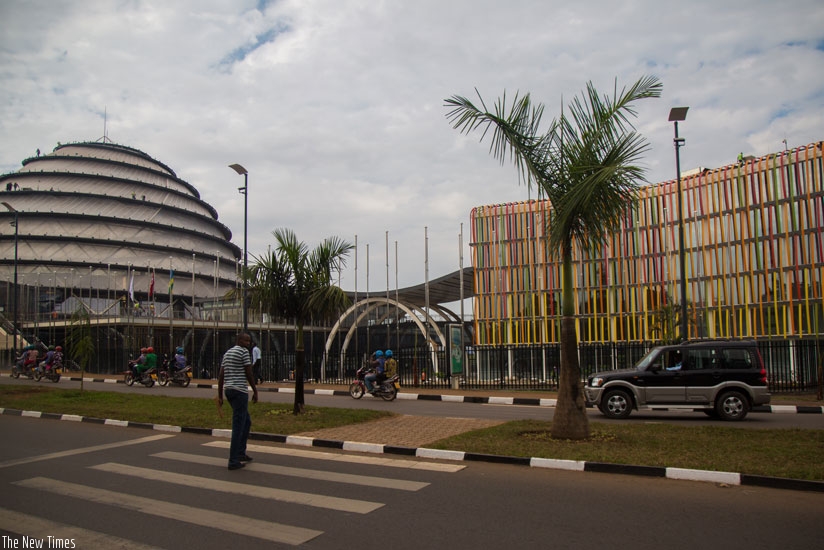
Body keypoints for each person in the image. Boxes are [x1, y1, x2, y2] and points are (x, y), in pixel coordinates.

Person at [218, 332, 258, 471]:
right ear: (239, 340)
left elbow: (221, 375)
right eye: (246, 341)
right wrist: (255, 390)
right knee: (238, 426)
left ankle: (240, 453)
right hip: (240, 391)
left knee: (246, 421)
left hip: (229, 390)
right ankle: (233, 460)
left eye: (249, 341)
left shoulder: (228, 353)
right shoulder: (243, 352)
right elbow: (249, 373)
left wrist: (220, 395)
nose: (248, 343)